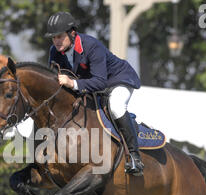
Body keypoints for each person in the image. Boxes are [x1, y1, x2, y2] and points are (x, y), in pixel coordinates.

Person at [45, 12, 144, 175]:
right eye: (53, 38)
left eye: (60, 36)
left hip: (118, 80)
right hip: (92, 85)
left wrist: (73, 83)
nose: (56, 41)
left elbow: (100, 81)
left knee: (116, 107)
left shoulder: (91, 46)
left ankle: (134, 156)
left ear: (72, 33)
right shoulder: (54, 51)